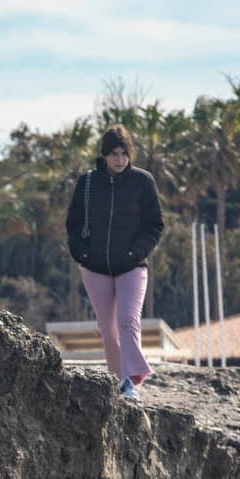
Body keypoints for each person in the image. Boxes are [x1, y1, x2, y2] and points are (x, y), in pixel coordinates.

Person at [66, 125, 165, 398]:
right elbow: (73, 224)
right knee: (108, 332)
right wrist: (82, 254)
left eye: (124, 153)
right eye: (113, 154)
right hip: (95, 268)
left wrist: (135, 253)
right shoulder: (87, 183)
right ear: (104, 155)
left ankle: (133, 377)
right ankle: (120, 383)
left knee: (127, 321)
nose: (119, 159)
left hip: (132, 266)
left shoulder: (143, 182)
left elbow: (155, 224)